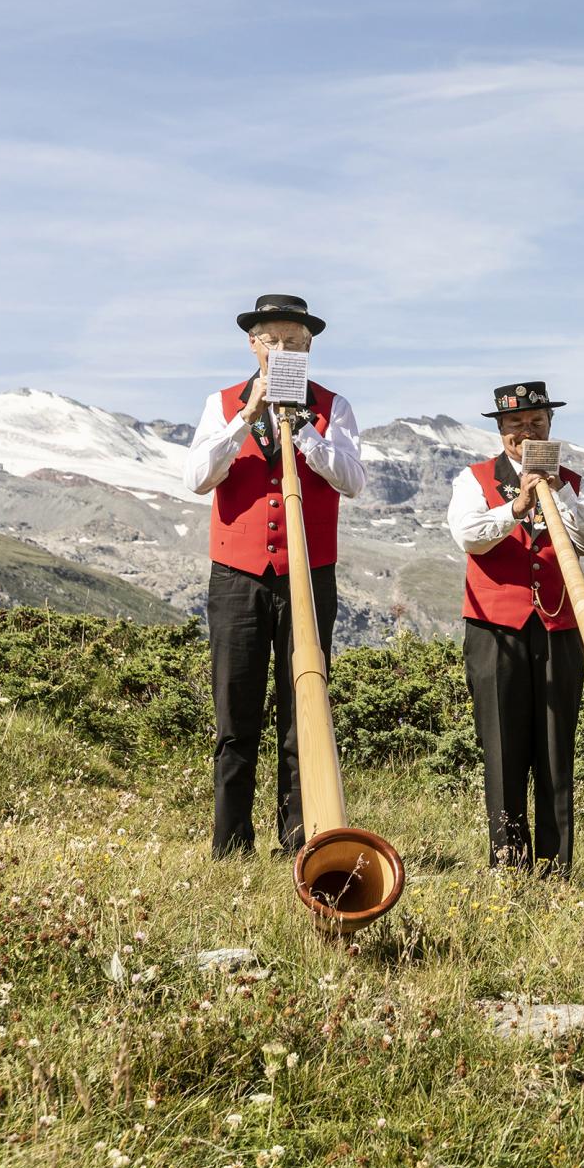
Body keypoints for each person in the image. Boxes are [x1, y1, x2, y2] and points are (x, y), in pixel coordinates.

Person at [183, 294, 366, 859]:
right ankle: (230, 843)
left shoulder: (332, 407)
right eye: (273, 340)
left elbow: (353, 480)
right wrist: (248, 415)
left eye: (294, 342)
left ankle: (299, 840)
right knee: (235, 711)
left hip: (309, 572)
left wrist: (303, 430)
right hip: (236, 576)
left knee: (301, 707)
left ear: (309, 348)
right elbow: (197, 477)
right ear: (253, 344)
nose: (283, 349)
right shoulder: (222, 404)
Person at [446, 382, 584, 874]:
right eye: (517, 425)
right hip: (494, 628)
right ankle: (508, 863)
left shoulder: (575, 482)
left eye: (537, 423)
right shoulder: (474, 478)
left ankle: (555, 867)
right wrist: (516, 507)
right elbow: (469, 536)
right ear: (502, 432)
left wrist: (559, 490)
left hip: (559, 626)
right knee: (503, 746)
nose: (527, 432)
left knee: (556, 746)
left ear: (550, 428)